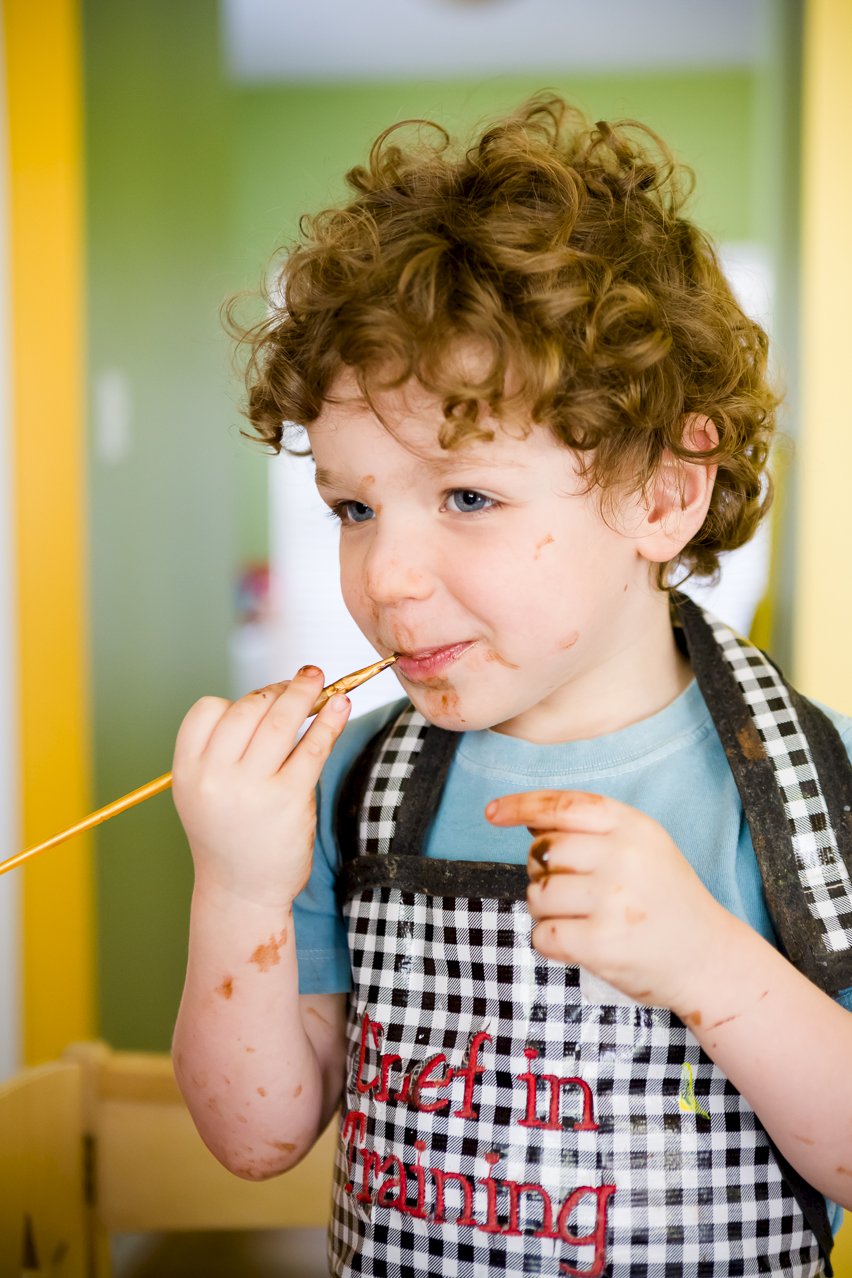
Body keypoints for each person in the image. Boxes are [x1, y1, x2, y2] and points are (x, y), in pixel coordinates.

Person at [171, 96, 852, 1277]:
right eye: (353, 506)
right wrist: (236, 886)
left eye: (469, 496)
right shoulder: (352, 785)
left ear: (661, 495)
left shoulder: (814, 787)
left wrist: (706, 962)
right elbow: (256, 1136)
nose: (385, 573)